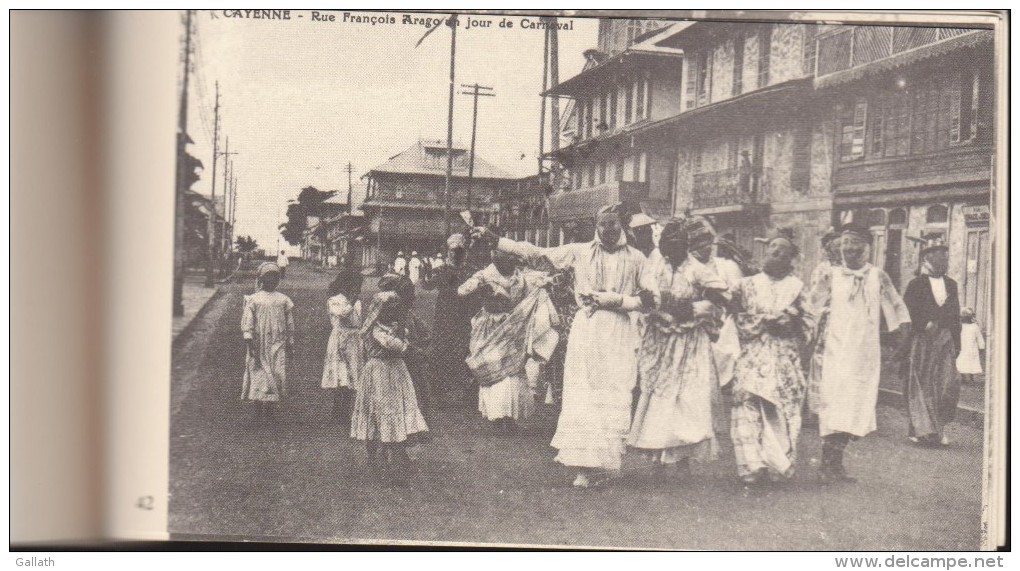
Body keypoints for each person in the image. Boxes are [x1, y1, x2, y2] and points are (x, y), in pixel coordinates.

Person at [472, 202, 647, 488]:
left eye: (613, 223)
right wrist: (496, 239)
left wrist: (619, 301)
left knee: (613, 392)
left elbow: (650, 299)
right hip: (587, 329)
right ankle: (585, 466)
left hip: (619, 332)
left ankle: (608, 462)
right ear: (596, 225)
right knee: (584, 393)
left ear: (623, 224)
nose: (607, 230)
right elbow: (538, 255)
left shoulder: (638, 259)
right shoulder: (579, 252)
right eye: (602, 224)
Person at [809, 222, 911, 483]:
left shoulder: (879, 276)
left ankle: (836, 463)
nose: (851, 249)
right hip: (835, 352)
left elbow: (897, 307)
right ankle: (826, 464)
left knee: (855, 407)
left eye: (857, 243)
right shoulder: (830, 276)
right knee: (834, 406)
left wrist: (903, 337)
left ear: (868, 247)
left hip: (864, 354)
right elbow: (810, 308)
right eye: (846, 243)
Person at [628, 219, 728, 479]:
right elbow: (645, 295)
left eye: (677, 244)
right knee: (659, 398)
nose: (671, 249)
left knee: (687, 399)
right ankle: (658, 459)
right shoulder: (655, 265)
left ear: (685, 246)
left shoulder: (697, 269)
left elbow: (720, 297)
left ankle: (684, 459)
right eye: (666, 244)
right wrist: (654, 307)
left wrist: (693, 308)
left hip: (689, 342)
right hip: (660, 339)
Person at [728, 231, 813, 487]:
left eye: (781, 250)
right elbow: (732, 316)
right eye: (772, 248)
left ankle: (777, 463)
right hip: (753, 353)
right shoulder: (746, 285)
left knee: (780, 409)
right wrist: (761, 321)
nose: (774, 253)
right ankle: (752, 466)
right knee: (746, 403)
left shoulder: (797, 287)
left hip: (783, 357)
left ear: (790, 258)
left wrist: (791, 323)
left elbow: (810, 322)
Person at [458, 248, 560, 432]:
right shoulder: (485, 275)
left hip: (513, 328)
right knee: (492, 365)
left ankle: (510, 416)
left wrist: (550, 280)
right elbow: (463, 290)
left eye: (512, 259)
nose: (509, 262)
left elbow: (541, 280)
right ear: (495, 259)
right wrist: (480, 286)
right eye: (504, 259)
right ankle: (497, 416)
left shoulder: (521, 277)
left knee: (512, 371)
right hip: (490, 328)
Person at [350, 290, 429, 485]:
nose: (393, 313)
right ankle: (376, 451)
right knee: (379, 408)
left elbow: (404, 341)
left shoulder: (397, 327)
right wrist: (414, 350)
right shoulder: (375, 330)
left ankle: (395, 450)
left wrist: (404, 333)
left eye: (396, 309)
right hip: (379, 371)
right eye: (389, 309)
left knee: (397, 407)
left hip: (396, 370)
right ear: (380, 311)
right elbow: (394, 345)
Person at [902, 238, 961, 447]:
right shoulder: (916, 284)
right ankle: (919, 430)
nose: (943, 261)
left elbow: (955, 314)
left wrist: (956, 342)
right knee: (921, 383)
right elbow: (907, 311)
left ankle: (937, 429)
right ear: (927, 259)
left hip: (945, 341)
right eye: (939, 256)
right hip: (922, 340)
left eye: (945, 257)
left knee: (946, 384)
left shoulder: (951, 284)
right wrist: (922, 324)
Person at [421, 234, 480, 407]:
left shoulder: (471, 271)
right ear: (448, 251)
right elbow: (428, 285)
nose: (456, 255)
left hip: (465, 316)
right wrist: (425, 274)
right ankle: (439, 393)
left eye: (459, 251)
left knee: (466, 351)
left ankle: (469, 393)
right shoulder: (442, 270)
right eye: (453, 251)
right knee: (442, 351)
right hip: (445, 317)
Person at [241, 263, 295, 422]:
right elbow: (248, 324)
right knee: (258, 373)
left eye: (275, 278)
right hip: (259, 343)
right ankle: (258, 409)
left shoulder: (283, 300)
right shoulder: (254, 300)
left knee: (276, 372)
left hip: (277, 343)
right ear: (261, 279)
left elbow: (289, 323)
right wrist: (250, 343)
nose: (272, 281)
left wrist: (290, 343)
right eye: (268, 278)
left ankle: (270, 409)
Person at [805, 228, 842, 420]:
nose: (839, 250)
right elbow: (815, 297)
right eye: (835, 247)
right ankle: (818, 408)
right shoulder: (823, 269)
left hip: (846, 322)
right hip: (828, 322)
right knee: (822, 363)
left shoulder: (849, 269)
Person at [321, 269, 364, 427]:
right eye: (356, 285)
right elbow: (342, 314)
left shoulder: (357, 301)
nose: (358, 289)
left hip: (354, 339)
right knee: (341, 375)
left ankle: (345, 412)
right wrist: (352, 301)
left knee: (352, 376)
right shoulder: (334, 300)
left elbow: (358, 321)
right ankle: (337, 411)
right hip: (340, 339)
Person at [956, 308, 984, 384]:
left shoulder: (974, 327)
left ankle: (969, 378)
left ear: (970, 318)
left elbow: (979, 337)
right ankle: (964, 378)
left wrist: (981, 346)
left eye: (967, 317)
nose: (964, 319)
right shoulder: (959, 326)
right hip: (962, 347)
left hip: (971, 348)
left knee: (970, 363)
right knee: (962, 363)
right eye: (963, 317)